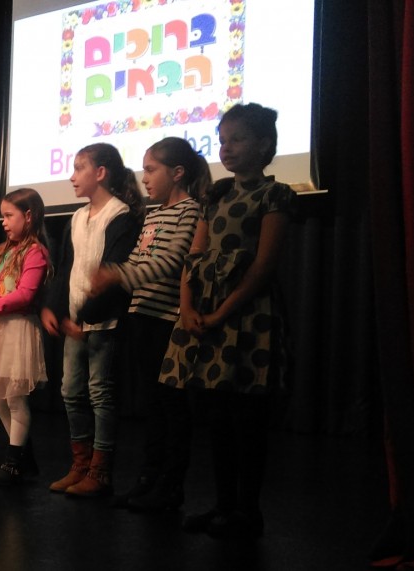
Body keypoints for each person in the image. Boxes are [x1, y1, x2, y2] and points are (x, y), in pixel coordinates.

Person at [164, 103, 295, 538]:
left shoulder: (275, 196)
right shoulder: (216, 196)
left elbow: (263, 267)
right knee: (217, 417)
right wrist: (187, 306)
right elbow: (195, 255)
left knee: (247, 420)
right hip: (206, 312)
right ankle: (222, 506)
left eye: (237, 139)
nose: (226, 148)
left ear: (264, 144)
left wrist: (222, 312)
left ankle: (247, 511)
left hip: (248, 316)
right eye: (222, 140)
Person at [89, 137, 207, 509]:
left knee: (172, 406)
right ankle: (147, 479)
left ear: (178, 172)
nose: (144, 178)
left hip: (167, 321)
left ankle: (170, 486)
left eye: (151, 170)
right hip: (141, 316)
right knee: (152, 406)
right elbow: (140, 259)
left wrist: (117, 275)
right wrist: (120, 274)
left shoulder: (190, 211)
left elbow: (173, 262)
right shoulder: (154, 214)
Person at [41, 143, 144, 497]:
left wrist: (85, 318)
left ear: (100, 173)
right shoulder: (76, 217)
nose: (72, 177)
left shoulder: (121, 216)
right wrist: (54, 308)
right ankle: (80, 464)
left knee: (100, 393)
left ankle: (100, 472)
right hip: (76, 322)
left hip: (104, 322)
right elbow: (66, 268)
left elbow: (113, 274)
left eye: (79, 168)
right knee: (70, 391)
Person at [0, 188, 51, 486]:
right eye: (2, 216)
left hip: (17, 328)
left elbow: (25, 294)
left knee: (15, 397)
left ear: (28, 216)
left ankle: (13, 461)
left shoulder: (35, 252)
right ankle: (24, 455)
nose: (3, 222)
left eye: (9, 216)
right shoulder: (2, 251)